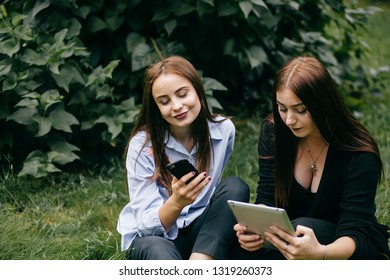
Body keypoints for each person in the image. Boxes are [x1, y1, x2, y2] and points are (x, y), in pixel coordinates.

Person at [234, 55, 390, 260]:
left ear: (323, 104)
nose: (289, 120)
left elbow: (355, 233)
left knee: (304, 227)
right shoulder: (274, 135)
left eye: (301, 110)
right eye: (282, 108)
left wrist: (320, 253)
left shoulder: (359, 154)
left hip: (343, 249)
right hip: (291, 241)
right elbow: (267, 197)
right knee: (239, 245)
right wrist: (254, 227)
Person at [117, 55, 250, 260]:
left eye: (182, 94)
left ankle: (200, 261)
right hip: (154, 238)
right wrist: (177, 202)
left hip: (199, 232)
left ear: (198, 90)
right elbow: (146, 228)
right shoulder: (142, 146)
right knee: (157, 248)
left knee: (235, 187)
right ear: (158, 109)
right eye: (164, 101)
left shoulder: (223, 131)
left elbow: (214, 197)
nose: (177, 106)